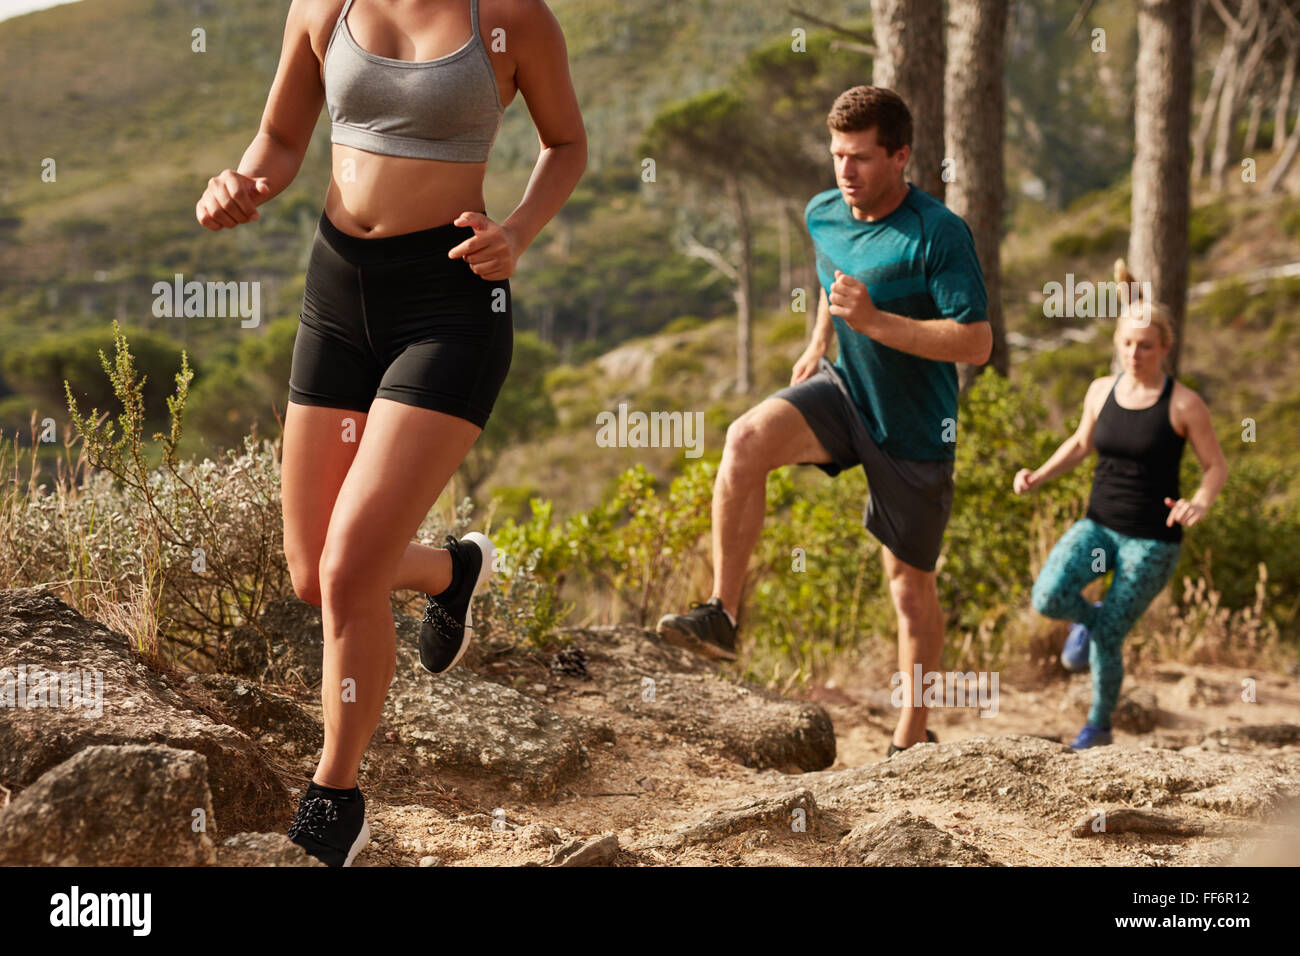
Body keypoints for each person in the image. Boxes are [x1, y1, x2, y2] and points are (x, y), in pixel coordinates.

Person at [195, 0, 585, 866]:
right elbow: (280, 139)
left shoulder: (512, 17)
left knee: (349, 568)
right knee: (312, 573)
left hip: (451, 301)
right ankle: (455, 570)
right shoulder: (323, 7)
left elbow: (568, 144)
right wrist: (241, 181)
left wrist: (516, 232)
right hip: (337, 295)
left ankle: (336, 794)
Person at [656, 86, 991, 758]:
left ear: (900, 157)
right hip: (846, 392)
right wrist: (819, 343)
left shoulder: (938, 233)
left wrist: (874, 323)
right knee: (743, 440)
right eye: (838, 155)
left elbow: (975, 342)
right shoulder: (823, 213)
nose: (846, 171)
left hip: (916, 428)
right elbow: (832, 279)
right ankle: (723, 615)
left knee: (908, 587)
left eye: (862, 158)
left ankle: (910, 735)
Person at [1015, 261, 1227, 750]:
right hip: (1099, 528)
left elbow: (1216, 467)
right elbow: (1079, 443)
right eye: (1128, 344)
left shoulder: (1183, 404)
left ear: (1165, 348)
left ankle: (1097, 727)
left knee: (1110, 637)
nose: (1135, 353)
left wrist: (1199, 502)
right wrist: (1039, 475)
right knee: (1047, 596)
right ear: (1118, 345)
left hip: (1152, 540)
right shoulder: (1100, 391)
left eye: (1146, 345)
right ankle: (1088, 620)